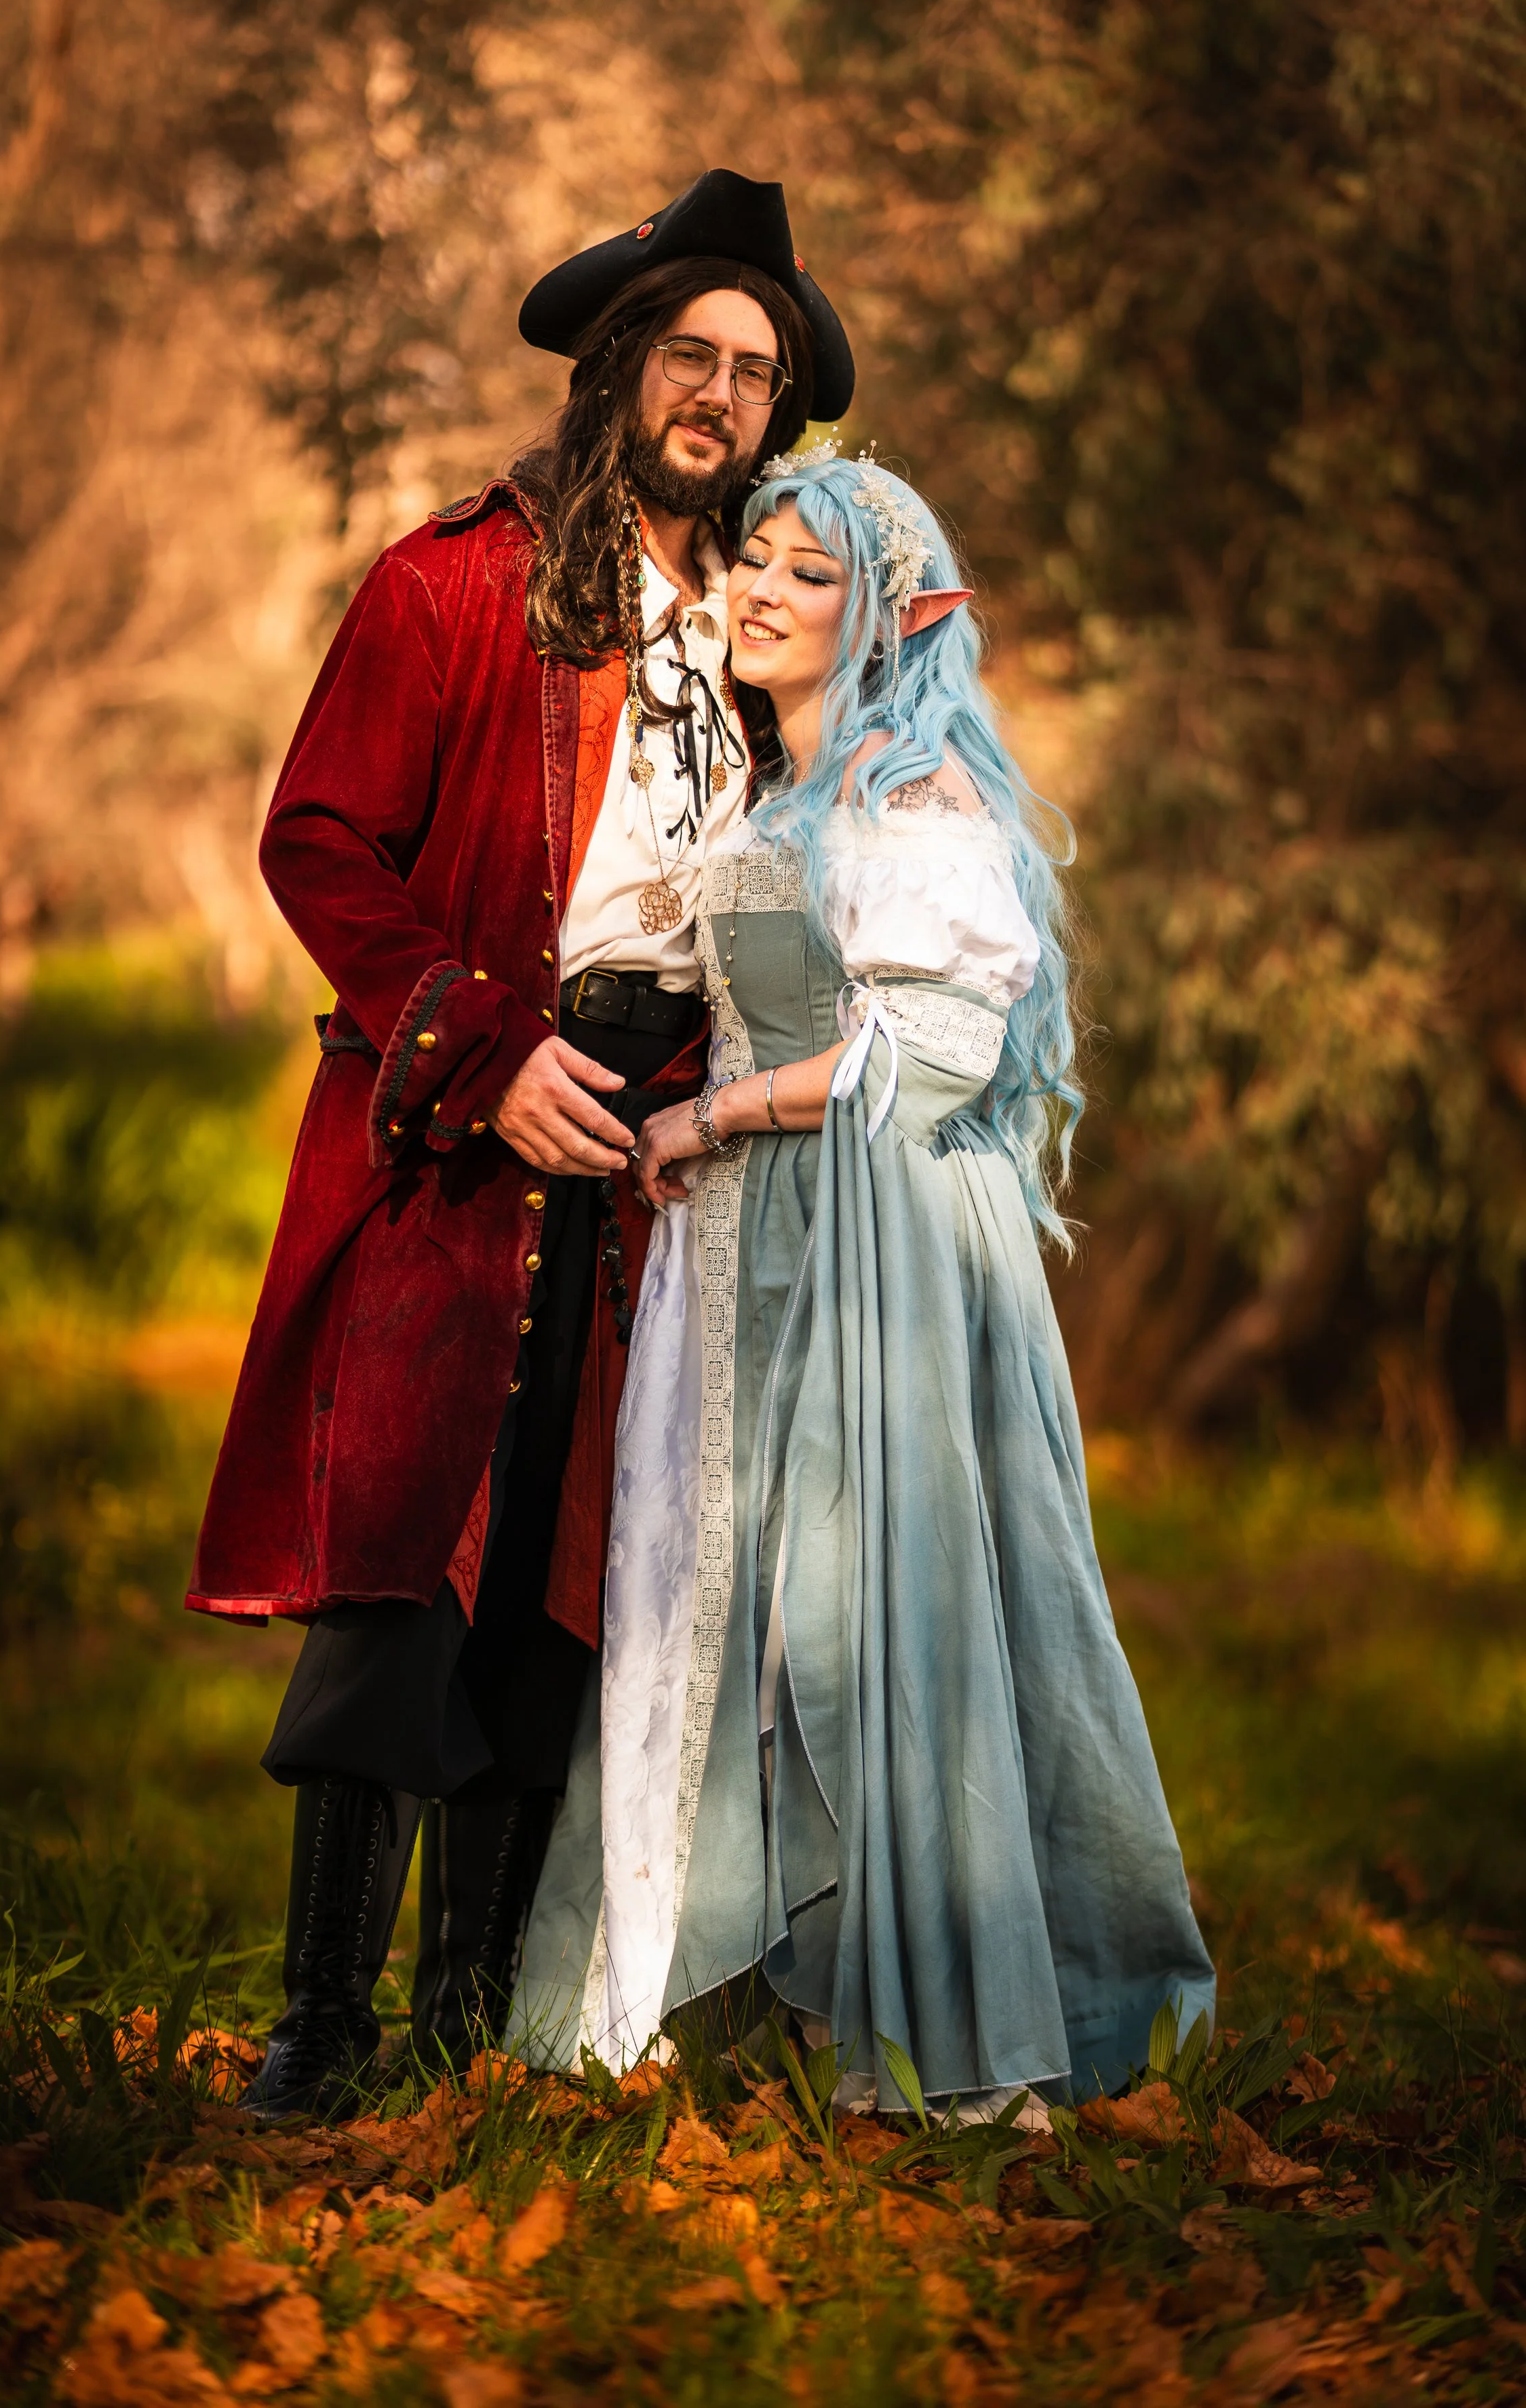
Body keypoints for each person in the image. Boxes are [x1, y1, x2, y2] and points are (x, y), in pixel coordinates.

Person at [185, 172, 855, 2118]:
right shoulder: (455, 580)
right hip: (472, 1113)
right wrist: (477, 1051)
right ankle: (321, 2028)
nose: (721, 394)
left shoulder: (761, 616)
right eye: (693, 352)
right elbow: (317, 836)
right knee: (409, 1564)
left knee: (584, 1567)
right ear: (616, 363)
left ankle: (473, 2024)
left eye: (757, 370)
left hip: (670, 1148)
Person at [511, 450, 1215, 2114]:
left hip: (872, 1250)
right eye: (748, 559)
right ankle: (727, 2004)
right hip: (749, 1248)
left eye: (804, 572)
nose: (757, 588)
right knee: (731, 1610)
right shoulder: (771, 796)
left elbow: (934, 1045)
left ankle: (932, 2013)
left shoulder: (916, 801)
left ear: (885, 613)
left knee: (863, 1608)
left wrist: (710, 1112)